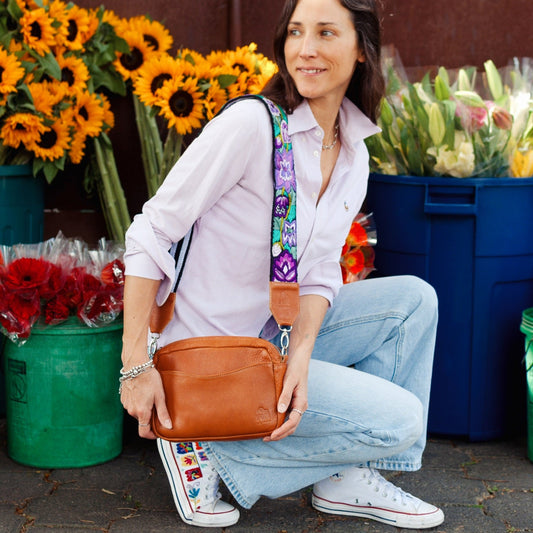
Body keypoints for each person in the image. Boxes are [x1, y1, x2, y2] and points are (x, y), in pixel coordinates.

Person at [120, 0, 445, 529]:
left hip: (272, 338)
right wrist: (135, 367)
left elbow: (318, 272)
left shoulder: (352, 150)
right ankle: (208, 443)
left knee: (414, 301)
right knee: (402, 420)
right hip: (212, 360)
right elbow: (151, 231)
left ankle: (345, 477)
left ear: (362, 49)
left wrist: (300, 359)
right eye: (296, 32)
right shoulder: (250, 125)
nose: (305, 50)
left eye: (325, 33)